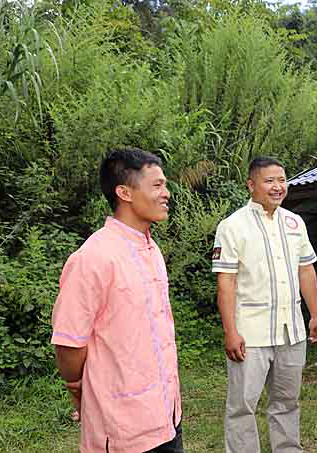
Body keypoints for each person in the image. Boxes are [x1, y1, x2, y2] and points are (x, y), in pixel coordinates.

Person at [51, 147, 183, 453]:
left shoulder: (152, 249)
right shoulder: (93, 257)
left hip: (167, 412)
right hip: (123, 426)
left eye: (165, 185)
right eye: (157, 185)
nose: (166, 193)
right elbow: (69, 343)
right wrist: (77, 388)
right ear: (124, 192)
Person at [212, 156, 317, 453]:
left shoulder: (294, 222)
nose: (277, 187)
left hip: (291, 330)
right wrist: (230, 331)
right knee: (242, 406)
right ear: (251, 185)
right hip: (250, 333)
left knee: (287, 401)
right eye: (269, 181)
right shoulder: (232, 226)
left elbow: (306, 270)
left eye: (282, 180)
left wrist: (314, 314)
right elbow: (226, 282)